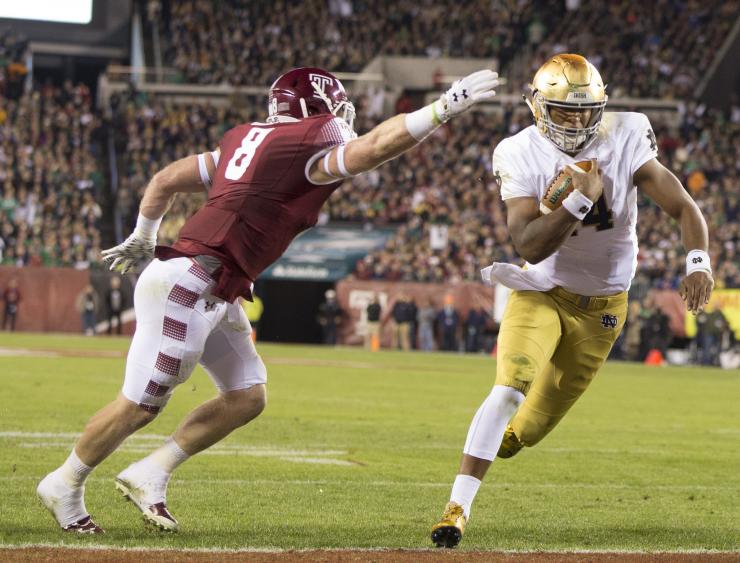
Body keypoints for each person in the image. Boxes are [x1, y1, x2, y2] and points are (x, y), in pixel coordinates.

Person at [37, 65, 499, 533]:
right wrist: (443, 108)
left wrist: (145, 234)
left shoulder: (243, 140)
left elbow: (163, 180)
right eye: (336, 107)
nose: (343, 115)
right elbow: (375, 147)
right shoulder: (309, 141)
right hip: (191, 280)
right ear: (316, 109)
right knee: (140, 404)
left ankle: (151, 471)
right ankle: (64, 484)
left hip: (217, 284)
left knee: (246, 395)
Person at [431, 54, 713, 548]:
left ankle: (502, 440)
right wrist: (579, 201)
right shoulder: (517, 152)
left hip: (604, 310)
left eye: (586, 110)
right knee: (508, 388)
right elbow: (530, 245)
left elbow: (683, 206)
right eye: (564, 110)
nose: (578, 120)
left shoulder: (628, 132)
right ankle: (456, 509)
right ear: (537, 106)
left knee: (527, 431)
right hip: (542, 292)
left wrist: (698, 263)